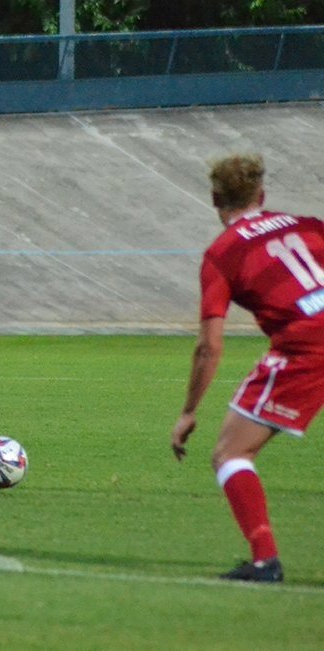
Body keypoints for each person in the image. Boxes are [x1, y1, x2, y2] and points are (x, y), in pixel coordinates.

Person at [169, 153, 324, 583]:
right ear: (262, 195)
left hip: (308, 344)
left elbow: (210, 346)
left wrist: (188, 412)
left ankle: (264, 560)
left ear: (216, 198)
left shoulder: (222, 255)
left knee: (231, 453)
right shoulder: (309, 227)